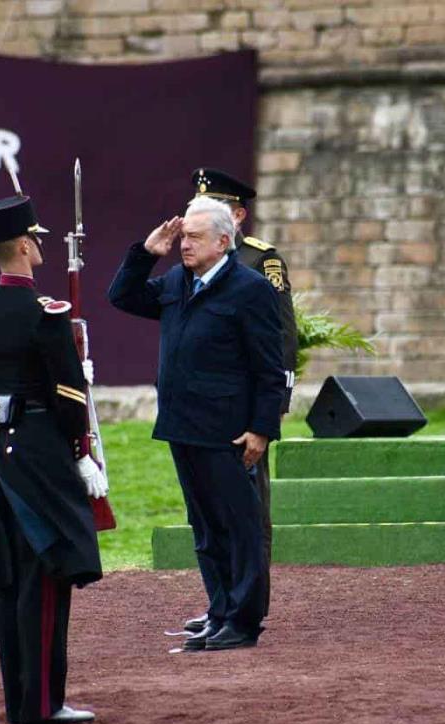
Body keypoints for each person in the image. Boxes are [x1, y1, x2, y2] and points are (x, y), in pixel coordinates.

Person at [108, 195, 285, 651]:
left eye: (193, 237)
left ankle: (244, 621)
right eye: (182, 236)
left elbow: (270, 367)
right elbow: (122, 296)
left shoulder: (250, 289)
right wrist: (147, 252)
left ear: (224, 241)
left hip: (228, 430)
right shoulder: (176, 281)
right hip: (181, 425)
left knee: (239, 527)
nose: (184, 244)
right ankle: (220, 609)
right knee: (206, 528)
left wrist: (262, 428)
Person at [0, 194, 104, 724]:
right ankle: (44, 703)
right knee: (46, 576)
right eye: (37, 239)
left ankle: (20, 699)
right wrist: (82, 452)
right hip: (43, 451)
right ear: (24, 245)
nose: (42, 245)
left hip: (0, 450)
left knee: (10, 582)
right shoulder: (46, 315)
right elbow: (68, 396)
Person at [182, 168, 298, 633]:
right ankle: (224, 602)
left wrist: (269, 414)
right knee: (211, 512)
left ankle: (252, 605)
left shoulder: (259, 262)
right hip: (203, 412)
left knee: (250, 510)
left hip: (245, 408)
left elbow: (280, 338)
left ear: (237, 216)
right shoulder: (194, 264)